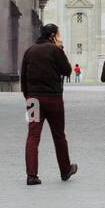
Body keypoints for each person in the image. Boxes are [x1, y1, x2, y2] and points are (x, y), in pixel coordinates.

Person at [21, 23, 77, 185]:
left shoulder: (29, 51)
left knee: (33, 135)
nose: (59, 38)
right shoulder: (55, 50)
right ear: (52, 36)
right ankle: (65, 170)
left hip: (33, 99)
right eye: (58, 35)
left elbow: (23, 77)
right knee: (59, 135)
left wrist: (28, 97)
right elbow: (67, 70)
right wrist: (61, 49)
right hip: (53, 99)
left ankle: (31, 175)